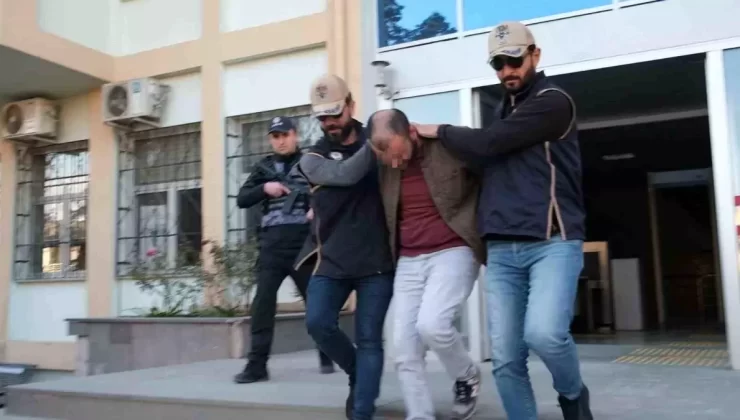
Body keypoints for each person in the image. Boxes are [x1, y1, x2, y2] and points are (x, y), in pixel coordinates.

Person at [414, 21, 593, 420]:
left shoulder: (553, 101)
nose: (507, 71)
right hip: (501, 248)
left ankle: (572, 394)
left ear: (535, 55)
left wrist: (438, 130)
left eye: (514, 60)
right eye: (498, 63)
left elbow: (489, 143)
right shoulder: (503, 110)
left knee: (544, 334)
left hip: (552, 241)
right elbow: (483, 159)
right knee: (507, 360)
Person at [367, 108, 487, 420]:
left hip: (453, 248)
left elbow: (488, 148)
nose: (396, 164)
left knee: (432, 325)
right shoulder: (382, 159)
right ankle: (419, 414)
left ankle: (466, 375)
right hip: (408, 258)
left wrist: (444, 130)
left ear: (411, 132)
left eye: (400, 154)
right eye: (388, 158)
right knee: (404, 347)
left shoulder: (447, 147)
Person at [293, 74, 394, 420]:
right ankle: (358, 373)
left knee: (370, 340)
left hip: (377, 262)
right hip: (332, 261)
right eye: (322, 117)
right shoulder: (312, 157)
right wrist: (379, 140)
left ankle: (362, 409)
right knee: (318, 323)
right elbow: (346, 174)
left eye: (335, 113)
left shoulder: (375, 138)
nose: (329, 123)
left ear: (351, 105)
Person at [232, 116, 334, 384]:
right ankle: (257, 366)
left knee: (317, 305)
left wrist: (317, 208)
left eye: (285, 135)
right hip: (272, 246)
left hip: (303, 246)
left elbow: (331, 192)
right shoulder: (263, 168)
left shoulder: (310, 162)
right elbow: (242, 199)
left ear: (295, 135)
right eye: (275, 136)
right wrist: (265, 188)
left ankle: (327, 353)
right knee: (262, 306)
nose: (280, 141)